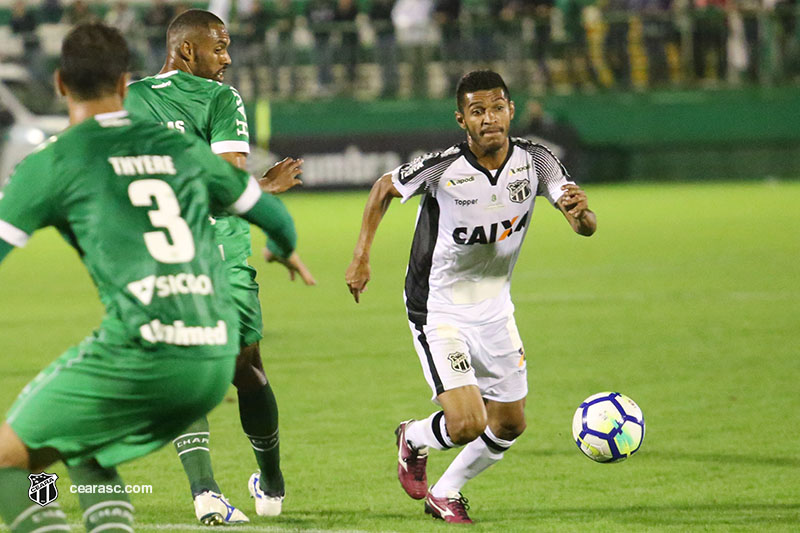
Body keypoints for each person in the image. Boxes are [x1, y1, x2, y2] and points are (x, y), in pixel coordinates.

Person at [0, 23, 304, 533]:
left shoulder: (53, 160)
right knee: (86, 451)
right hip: (209, 355)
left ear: (59, 84)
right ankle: (149, 510)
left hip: (144, 347)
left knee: (16, 456)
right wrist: (284, 248)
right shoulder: (179, 151)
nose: (226, 58)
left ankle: (46, 522)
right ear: (123, 85)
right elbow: (271, 213)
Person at [345, 70, 596, 524]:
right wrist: (362, 255)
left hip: (494, 305)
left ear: (511, 111)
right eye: (477, 111)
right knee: (466, 424)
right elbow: (384, 187)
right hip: (438, 307)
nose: (489, 119)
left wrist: (582, 218)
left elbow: (579, 217)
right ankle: (415, 437)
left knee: (510, 423)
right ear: (462, 119)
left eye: (497, 108)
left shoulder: (537, 160)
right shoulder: (444, 166)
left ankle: (446, 492)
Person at [124, 9, 315, 524]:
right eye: (219, 47)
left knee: (238, 369)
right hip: (208, 253)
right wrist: (265, 189)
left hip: (166, 255)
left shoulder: (132, 99)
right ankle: (212, 491)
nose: (228, 59)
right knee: (218, 367)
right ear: (187, 50)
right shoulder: (220, 100)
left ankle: (264, 480)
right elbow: (229, 183)